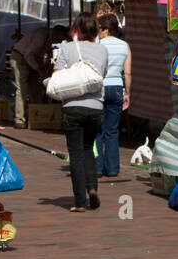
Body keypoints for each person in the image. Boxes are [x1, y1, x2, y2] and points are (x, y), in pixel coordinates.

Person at [52, 12, 109, 212]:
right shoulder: (103, 51)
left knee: (75, 154)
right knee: (88, 149)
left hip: (72, 106)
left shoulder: (67, 48)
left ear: (77, 28)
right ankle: (92, 188)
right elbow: (102, 74)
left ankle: (79, 202)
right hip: (95, 106)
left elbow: (57, 76)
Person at [96, 14, 131, 178]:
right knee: (112, 131)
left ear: (106, 29)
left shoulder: (97, 45)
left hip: (100, 88)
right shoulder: (125, 46)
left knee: (97, 131)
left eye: (99, 29)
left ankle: (97, 167)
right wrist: (127, 92)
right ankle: (112, 168)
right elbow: (128, 72)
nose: (98, 32)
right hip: (117, 87)